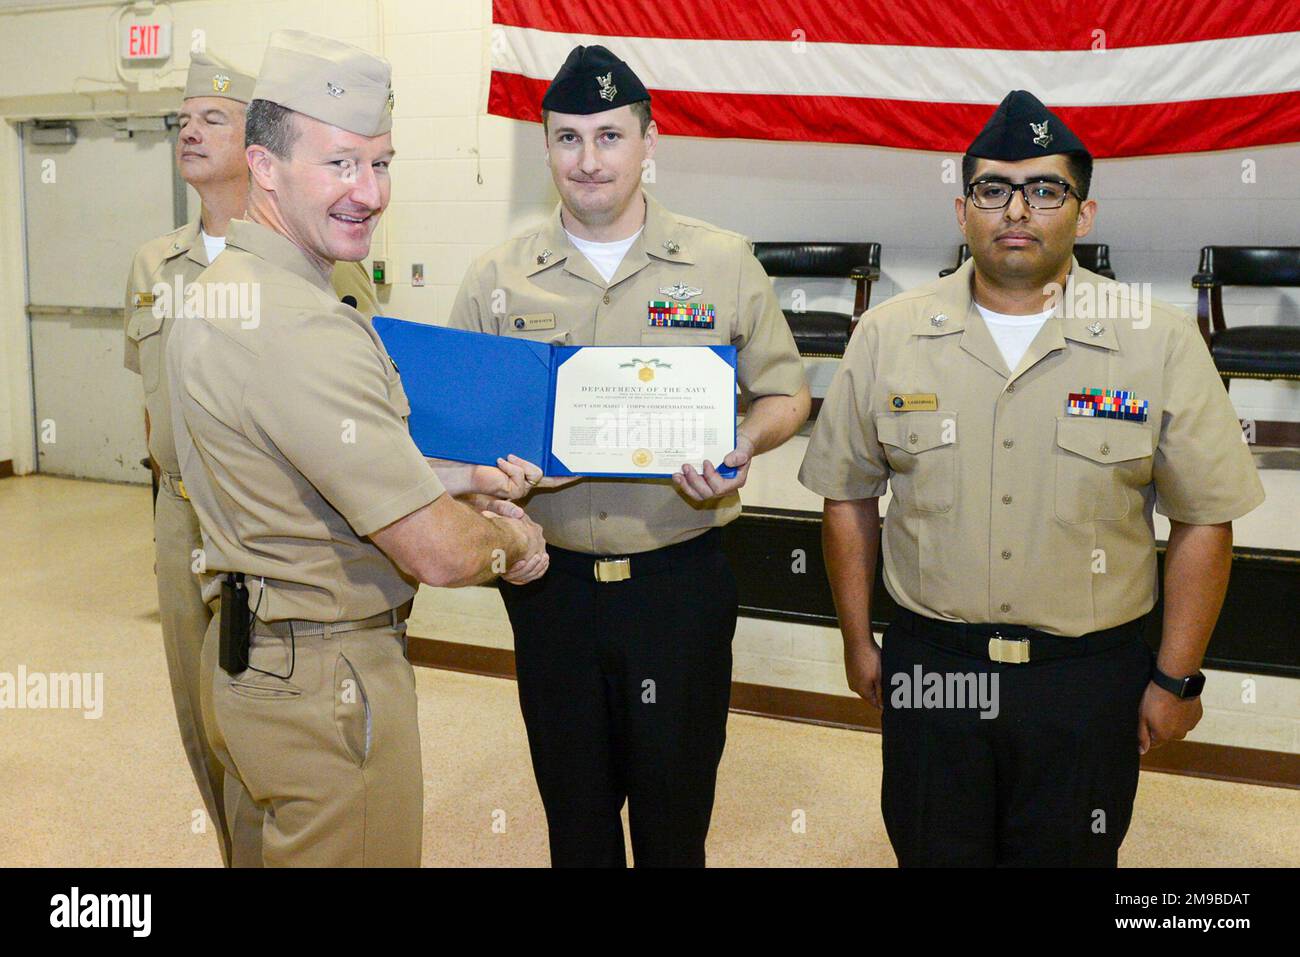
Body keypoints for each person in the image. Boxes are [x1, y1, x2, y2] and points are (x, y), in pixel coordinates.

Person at [798, 90, 1265, 866]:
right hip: (934, 670)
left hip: (1084, 682)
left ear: (1082, 214)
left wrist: (1175, 678)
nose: (1017, 209)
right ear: (963, 209)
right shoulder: (889, 335)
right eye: (993, 189)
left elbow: (1204, 520)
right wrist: (858, 642)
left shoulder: (1160, 342)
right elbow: (846, 495)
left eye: (1045, 189)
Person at [166, 30, 548, 867]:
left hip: (249, 659)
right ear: (264, 168)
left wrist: (471, 475)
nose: (369, 192)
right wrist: (513, 540)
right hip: (325, 678)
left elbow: (319, 459)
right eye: (340, 163)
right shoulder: (304, 323)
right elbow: (438, 551)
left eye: (381, 164)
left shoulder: (226, 289)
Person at [448, 45, 810, 867]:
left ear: (651, 145)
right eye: (568, 137)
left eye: (610, 136)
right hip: (551, 587)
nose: (588, 159)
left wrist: (746, 441)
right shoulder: (497, 280)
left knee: (675, 814)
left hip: (679, 581)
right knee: (574, 817)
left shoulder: (722, 262)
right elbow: (456, 438)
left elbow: (786, 393)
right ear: (546, 149)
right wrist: (487, 488)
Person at [124, 50, 383, 867]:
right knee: (201, 711)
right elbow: (150, 397)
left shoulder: (329, 268)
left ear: (262, 149)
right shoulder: (154, 265)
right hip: (182, 515)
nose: (191, 132)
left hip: (277, 519)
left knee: (271, 702)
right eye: (183, 119)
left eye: (213, 118)